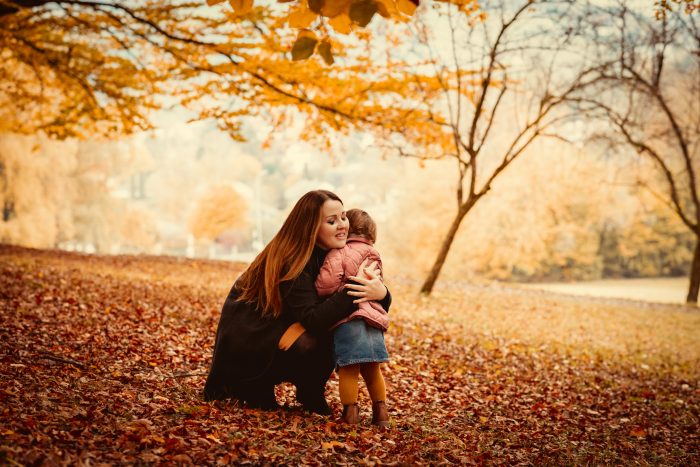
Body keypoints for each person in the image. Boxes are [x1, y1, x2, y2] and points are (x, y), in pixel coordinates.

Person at [203, 190, 391, 415]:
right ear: (311, 227)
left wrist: (381, 294)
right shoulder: (294, 258)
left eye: (343, 216)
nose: (342, 225)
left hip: (288, 322)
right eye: (331, 221)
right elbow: (314, 319)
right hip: (253, 336)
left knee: (341, 321)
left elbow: (353, 304)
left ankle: (310, 390)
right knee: (320, 332)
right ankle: (257, 383)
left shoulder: (334, 252)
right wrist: (354, 289)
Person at [315, 209, 390, 427]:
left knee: (349, 368)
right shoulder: (374, 254)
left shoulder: (340, 251)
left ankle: (351, 414)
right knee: (372, 368)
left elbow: (326, 284)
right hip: (373, 319)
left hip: (349, 319)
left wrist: (318, 288)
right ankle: (381, 413)